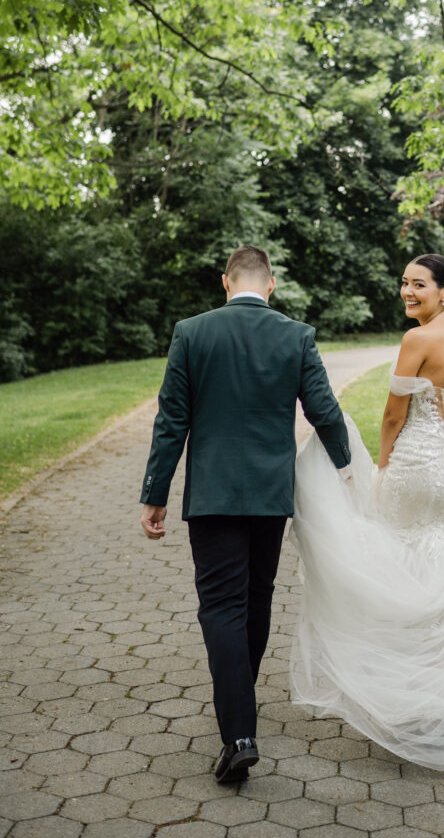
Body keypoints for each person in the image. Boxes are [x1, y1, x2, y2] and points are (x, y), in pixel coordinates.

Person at [290, 253, 444, 770]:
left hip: (420, 469)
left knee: (399, 571)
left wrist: (380, 469)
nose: (408, 291)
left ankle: (413, 693)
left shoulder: (417, 340)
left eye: (419, 284)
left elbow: (394, 414)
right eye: (404, 282)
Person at [139, 245, 351, 783]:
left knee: (221, 607)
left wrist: (154, 493)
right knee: (255, 599)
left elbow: (171, 422)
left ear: (225, 281)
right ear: (272, 284)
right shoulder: (296, 335)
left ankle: (238, 732)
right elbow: (324, 412)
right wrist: (348, 472)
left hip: (211, 496)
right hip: (270, 496)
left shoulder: (192, 332)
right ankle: (241, 704)